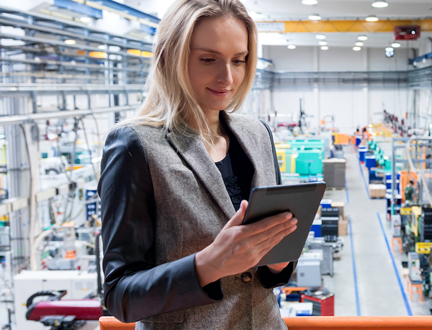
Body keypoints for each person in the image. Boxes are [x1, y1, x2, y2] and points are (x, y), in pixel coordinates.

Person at [98, 1, 297, 329]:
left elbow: (263, 275)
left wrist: (277, 262)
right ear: (170, 56)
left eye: (239, 60)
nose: (227, 77)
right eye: (208, 59)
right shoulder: (136, 145)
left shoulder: (257, 134)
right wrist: (208, 265)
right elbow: (121, 296)